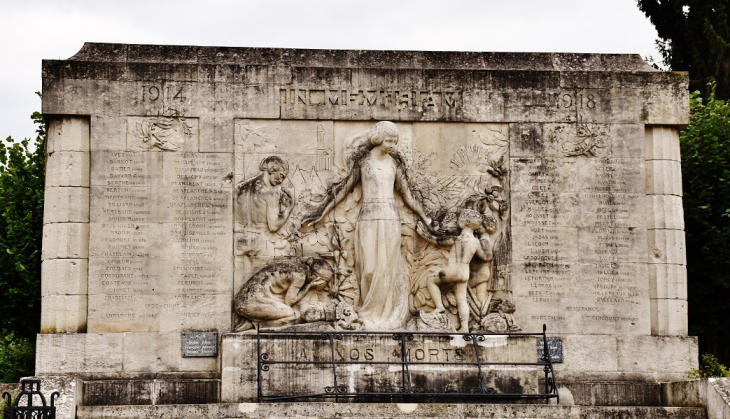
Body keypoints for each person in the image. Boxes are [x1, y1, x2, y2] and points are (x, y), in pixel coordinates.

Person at [305, 121, 431, 329]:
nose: (392, 144)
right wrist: (321, 213)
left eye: (395, 141)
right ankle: (369, 310)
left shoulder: (395, 163)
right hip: (368, 217)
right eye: (389, 140)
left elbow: (407, 194)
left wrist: (425, 218)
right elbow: (344, 189)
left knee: (387, 268)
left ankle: (386, 315)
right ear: (378, 138)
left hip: (390, 217)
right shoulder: (363, 161)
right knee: (370, 268)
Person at [416, 209, 490, 333]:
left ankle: (439, 306)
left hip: (452, 270)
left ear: (465, 222)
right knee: (461, 299)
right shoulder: (475, 242)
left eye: (460, 219)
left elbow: (436, 241)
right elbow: (485, 257)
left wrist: (422, 232)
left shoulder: (457, 239)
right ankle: (464, 327)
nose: (458, 221)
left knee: (430, 280)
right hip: (464, 273)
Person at [234, 258, 334, 329]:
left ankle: (255, 321)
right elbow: (289, 302)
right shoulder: (300, 275)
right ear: (318, 279)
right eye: (325, 281)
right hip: (250, 303)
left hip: (245, 300)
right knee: (293, 315)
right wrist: (308, 287)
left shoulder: (296, 266)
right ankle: (257, 324)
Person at [236, 155, 294, 234]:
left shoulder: (238, 188)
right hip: (261, 240)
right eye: (281, 175)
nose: (281, 181)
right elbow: (274, 226)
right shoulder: (270, 194)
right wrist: (288, 207)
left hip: (240, 239)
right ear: (272, 169)